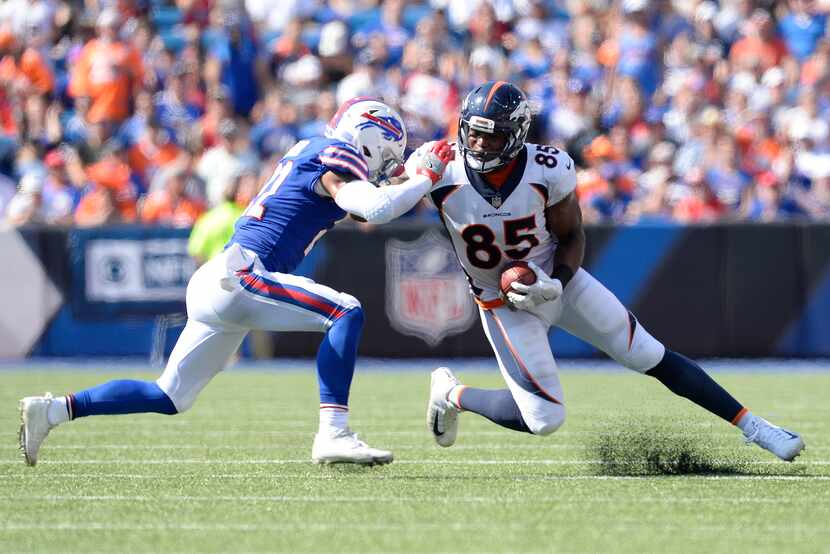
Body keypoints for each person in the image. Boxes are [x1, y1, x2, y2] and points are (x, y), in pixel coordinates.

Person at [19, 97, 455, 466]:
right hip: (242, 273)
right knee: (346, 311)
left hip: (220, 278)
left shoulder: (316, 150)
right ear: (369, 136)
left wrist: (412, 177)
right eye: (389, 150)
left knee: (169, 395)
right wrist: (423, 177)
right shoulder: (336, 154)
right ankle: (334, 433)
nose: (387, 161)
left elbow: (370, 206)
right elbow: (377, 209)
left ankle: (54, 410)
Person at [413, 81, 804, 462]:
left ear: (516, 135)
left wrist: (556, 283)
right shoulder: (442, 169)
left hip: (553, 279)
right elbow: (383, 203)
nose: (480, 145)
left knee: (648, 353)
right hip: (502, 304)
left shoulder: (547, 168)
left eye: (493, 136)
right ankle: (452, 393)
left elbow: (571, 236)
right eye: (474, 133)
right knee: (544, 420)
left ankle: (756, 427)